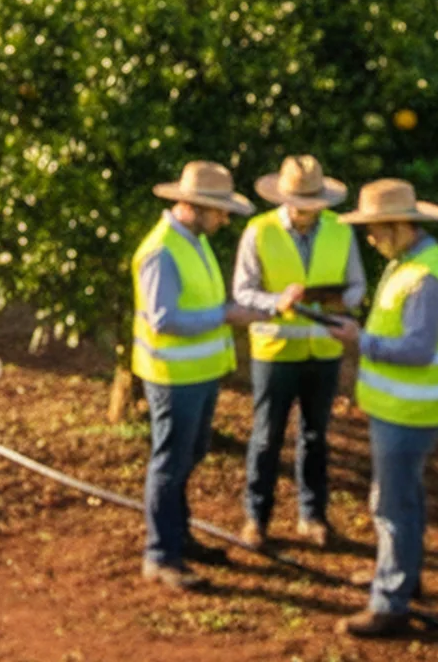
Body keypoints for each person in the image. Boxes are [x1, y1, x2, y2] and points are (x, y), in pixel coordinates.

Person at [132, 161, 286, 590]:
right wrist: (224, 316)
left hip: (197, 373)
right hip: (173, 376)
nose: (224, 220)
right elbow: (164, 319)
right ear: (194, 206)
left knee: (189, 454)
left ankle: (178, 538)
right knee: (170, 462)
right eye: (219, 211)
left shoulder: (192, 242)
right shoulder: (162, 251)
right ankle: (161, 555)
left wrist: (242, 312)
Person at [328, 179, 438, 638]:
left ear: (399, 225)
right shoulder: (408, 263)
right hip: (402, 407)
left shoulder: (423, 278)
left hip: (410, 411)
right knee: (404, 497)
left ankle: (390, 601)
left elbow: (418, 349)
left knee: (391, 505)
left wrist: (360, 340)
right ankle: (404, 575)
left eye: (375, 229)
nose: (370, 239)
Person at [233, 155, 366, 550]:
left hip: (323, 350)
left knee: (315, 436)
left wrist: (339, 300)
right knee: (266, 437)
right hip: (275, 351)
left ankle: (313, 516)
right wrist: (277, 301)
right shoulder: (259, 231)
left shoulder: (340, 231)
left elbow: (357, 284)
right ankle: (256, 518)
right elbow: (242, 290)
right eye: (300, 202)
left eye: (313, 202)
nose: (306, 210)